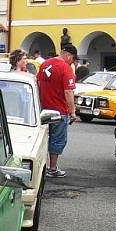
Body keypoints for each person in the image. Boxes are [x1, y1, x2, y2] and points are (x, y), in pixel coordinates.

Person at [37, 43, 78, 179]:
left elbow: (38, 83)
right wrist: (72, 111)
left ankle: (40, 165)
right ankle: (52, 168)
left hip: (43, 108)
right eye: (72, 59)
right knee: (58, 139)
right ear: (68, 55)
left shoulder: (44, 64)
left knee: (42, 138)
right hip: (59, 110)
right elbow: (68, 91)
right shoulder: (66, 69)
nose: (72, 62)